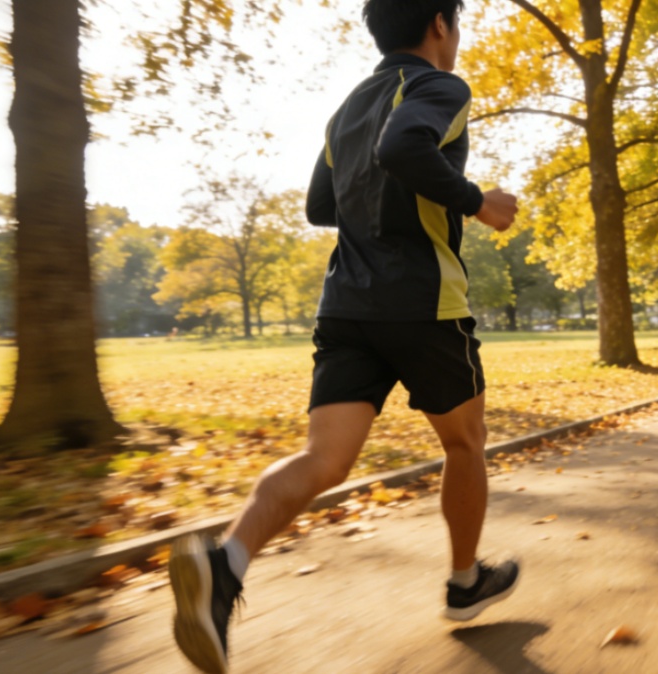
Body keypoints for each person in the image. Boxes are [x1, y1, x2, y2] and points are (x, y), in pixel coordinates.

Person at [168, 1, 520, 671]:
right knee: (463, 440)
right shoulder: (436, 86)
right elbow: (401, 147)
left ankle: (226, 565)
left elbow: (319, 206)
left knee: (324, 460)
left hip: (347, 306)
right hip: (422, 304)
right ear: (440, 24)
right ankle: (466, 581)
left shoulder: (348, 107)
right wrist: (477, 201)